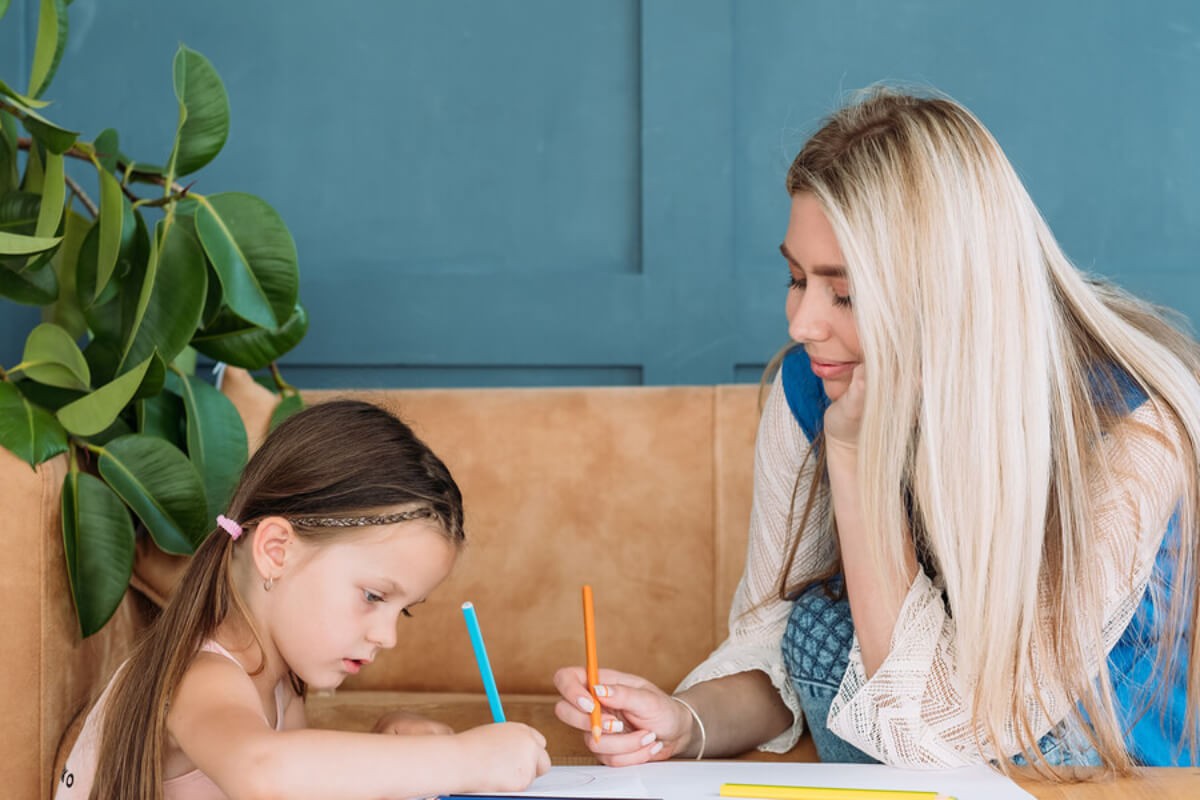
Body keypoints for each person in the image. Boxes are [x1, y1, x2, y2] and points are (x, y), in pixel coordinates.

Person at [554, 87, 1200, 775]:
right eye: (796, 278)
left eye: (846, 292)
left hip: (1093, 763)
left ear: (948, 295)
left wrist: (859, 462)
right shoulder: (812, 383)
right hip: (901, 742)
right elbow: (774, 643)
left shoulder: (1133, 428)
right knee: (813, 629)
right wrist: (684, 724)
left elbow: (944, 743)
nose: (802, 323)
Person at [58, 399, 550, 799]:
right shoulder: (199, 676)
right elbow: (262, 772)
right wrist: (459, 762)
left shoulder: (279, 685)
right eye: (374, 595)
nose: (387, 635)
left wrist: (387, 747)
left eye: (402, 610)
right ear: (277, 551)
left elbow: (297, 783)